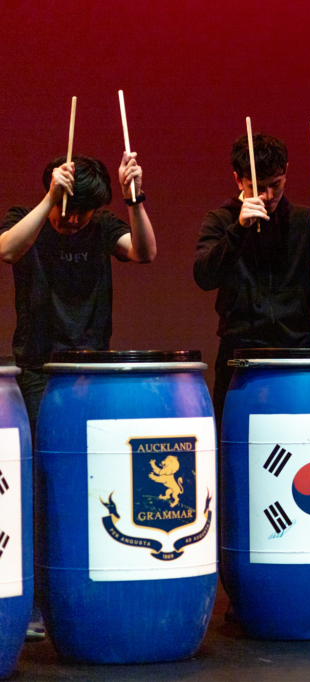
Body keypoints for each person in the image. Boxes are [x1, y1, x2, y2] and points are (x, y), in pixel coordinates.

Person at [0, 151, 156, 640]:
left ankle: (79, 592)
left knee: (86, 487)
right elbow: (6, 249)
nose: (70, 221)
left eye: (80, 213)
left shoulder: (103, 226)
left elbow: (146, 252)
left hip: (90, 373)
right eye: (65, 209)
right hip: (38, 370)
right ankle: (35, 602)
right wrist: (50, 197)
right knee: (40, 489)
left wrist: (136, 199)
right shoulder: (27, 219)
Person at [194, 132, 310, 429]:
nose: (268, 197)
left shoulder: (301, 220)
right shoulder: (220, 220)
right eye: (258, 187)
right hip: (240, 359)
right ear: (238, 180)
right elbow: (204, 277)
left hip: (295, 356)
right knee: (235, 451)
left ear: (286, 174)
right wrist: (239, 229)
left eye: (276, 185)